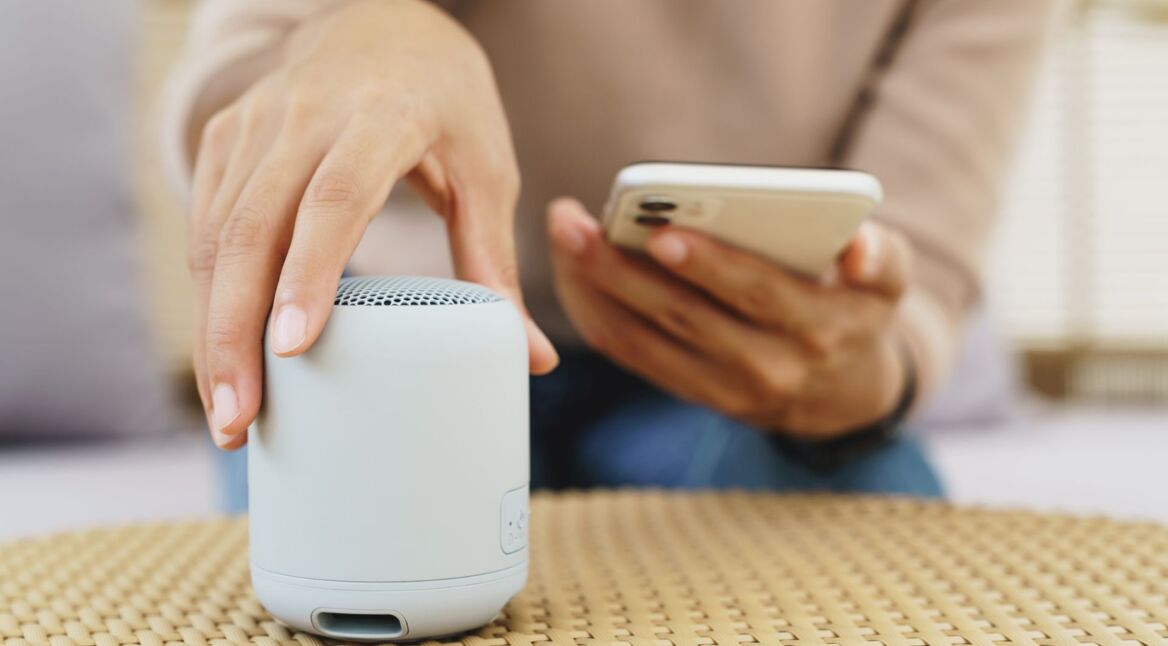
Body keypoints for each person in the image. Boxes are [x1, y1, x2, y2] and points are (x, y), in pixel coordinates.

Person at [163, 0, 1056, 500]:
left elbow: (920, 276)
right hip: (395, 333)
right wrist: (351, 34)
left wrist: (853, 373)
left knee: (876, 517)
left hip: (730, 372)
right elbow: (230, 105)